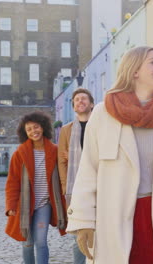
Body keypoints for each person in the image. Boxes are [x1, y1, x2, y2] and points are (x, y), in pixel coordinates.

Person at [66, 46, 153, 264]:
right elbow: (89, 169)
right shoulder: (103, 114)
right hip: (115, 219)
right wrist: (84, 219)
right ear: (134, 70)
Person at [5, 111, 67, 264]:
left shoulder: (54, 150)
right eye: (29, 129)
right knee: (27, 243)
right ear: (25, 133)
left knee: (41, 242)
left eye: (36, 127)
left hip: (44, 205)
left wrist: (69, 159)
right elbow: (13, 181)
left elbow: (64, 175)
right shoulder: (20, 153)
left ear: (43, 127)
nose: (34, 131)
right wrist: (11, 205)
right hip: (24, 205)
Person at [57, 88, 94, 264]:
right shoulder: (66, 130)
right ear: (73, 106)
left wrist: (74, 156)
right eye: (76, 100)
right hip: (75, 188)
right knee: (78, 232)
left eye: (83, 98)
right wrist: (65, 187)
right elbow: (61, 161)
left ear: (91, 104)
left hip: (98, 186)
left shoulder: (100, 125)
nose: (80, 101)